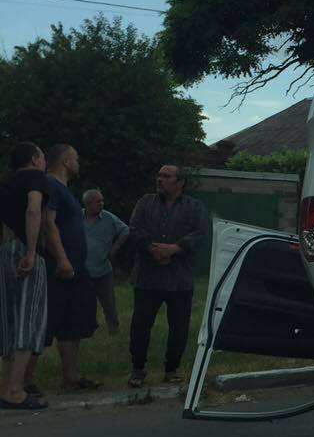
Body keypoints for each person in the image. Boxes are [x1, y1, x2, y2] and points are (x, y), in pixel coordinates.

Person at [28, 143, 101, 394]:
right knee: (45, 321)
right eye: (76, 159)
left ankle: (71, 378)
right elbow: (48, 224)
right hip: (58, 268)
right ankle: (25, 381)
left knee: (72, 324)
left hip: (75, 269)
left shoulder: (66, 190)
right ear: (66, 162)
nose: (78, 164)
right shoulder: (50, 185)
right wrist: (61, 259)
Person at [127, 164, 208, 388]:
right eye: (159, 175)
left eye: (166, 176)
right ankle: (138, 369)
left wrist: (174, 249)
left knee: (179, 326)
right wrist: (153, 249)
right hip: (147, 275)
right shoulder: (146, 202)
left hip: (179, 278)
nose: (160, 179)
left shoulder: (194, 207)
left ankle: (171, 369)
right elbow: (134, 229)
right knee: (141, 325)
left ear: (180, 181)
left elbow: (200, 234)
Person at [0, 142, 49, 411]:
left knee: (7, 320)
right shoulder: (36, 177)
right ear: (33, 158)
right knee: (28, 318)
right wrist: (30, 252)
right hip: (24, 249)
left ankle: (5, 387)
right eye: (42, 156)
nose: (44, 161)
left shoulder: (6, 184)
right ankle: (16, 390)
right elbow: (33, 209)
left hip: (5, 249)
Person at [82, 189, 128, 335]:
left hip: (103, 270)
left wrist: (114, 249)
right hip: (83, 270)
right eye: (98, 201)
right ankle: (88, 329)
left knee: (109, 303)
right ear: (88, 204)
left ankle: (113, 328)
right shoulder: (76, 217)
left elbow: (125, 230)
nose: (102, 203)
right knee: (85, 303)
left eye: (102, 200)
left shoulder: (108, 218)